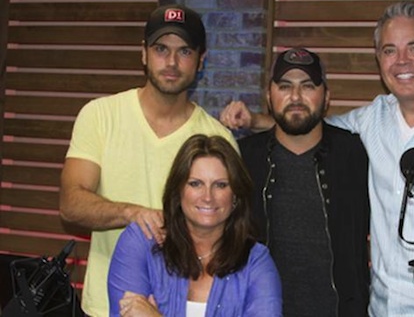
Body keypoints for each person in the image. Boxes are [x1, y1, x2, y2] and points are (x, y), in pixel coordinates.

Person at [220, 1, 414, 317]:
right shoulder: (372, 121)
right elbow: (311, 126)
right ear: (379, 60)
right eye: (389, 50)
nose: (401, 61)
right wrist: (258, 122)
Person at [59, 4, 237, 316]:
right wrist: (132, 213)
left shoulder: (218, 139)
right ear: (143, 53)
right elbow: (71, 203)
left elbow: (230, 234)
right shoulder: (100, 116)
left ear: (201, 60)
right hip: (104, 306)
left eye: (184, 51)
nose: (171, 62)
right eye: (160, 49)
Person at [226, 47, 370, 316]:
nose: (295, 97)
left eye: (307, 86)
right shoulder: (243, 159)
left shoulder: (356, 155)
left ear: (326, 96)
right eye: (284, 86)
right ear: (269, 96)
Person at [107, 134, 282, 317]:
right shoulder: (141, 241)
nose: (207, 197)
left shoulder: (256, 262)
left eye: (221, 185)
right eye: (195, 184)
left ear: (235, 197)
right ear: (179, 191)